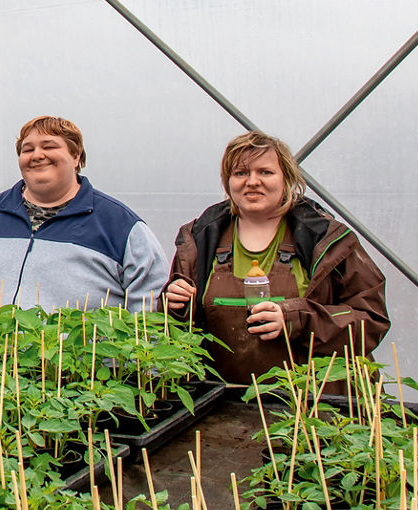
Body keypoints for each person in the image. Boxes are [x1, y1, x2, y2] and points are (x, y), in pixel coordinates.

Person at [161, 131, 389, 385]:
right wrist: (175, 306)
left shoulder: (326, 239)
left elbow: (370, 319)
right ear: (228, 182)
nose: (252, 181)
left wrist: (296, 319)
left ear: (287, 179)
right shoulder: (200, 239)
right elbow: (174, 334)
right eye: (241, 173)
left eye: (265, 172)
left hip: (312, 404)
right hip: (224, 404)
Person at [0, 115, 168, 312]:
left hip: (78, 373)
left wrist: (141, 372)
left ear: (76, 155)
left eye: (49, 146)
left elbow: (149, 298)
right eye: (27, 149)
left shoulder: (118, 224)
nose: (37, 155)